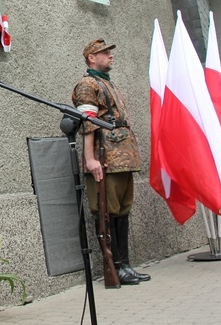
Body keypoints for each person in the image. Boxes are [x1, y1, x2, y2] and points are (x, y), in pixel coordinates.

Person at [72, 39, 149, 286]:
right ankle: (114, 266)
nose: (110, 56)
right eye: (104, 53)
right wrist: (90, 159)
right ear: (91, 58)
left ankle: (124, 264)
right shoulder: (87, 84)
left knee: (122, 211)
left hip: (122, 157)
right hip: (105, 159)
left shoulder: (107, 83)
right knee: (107, 212)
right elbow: (88, 123)